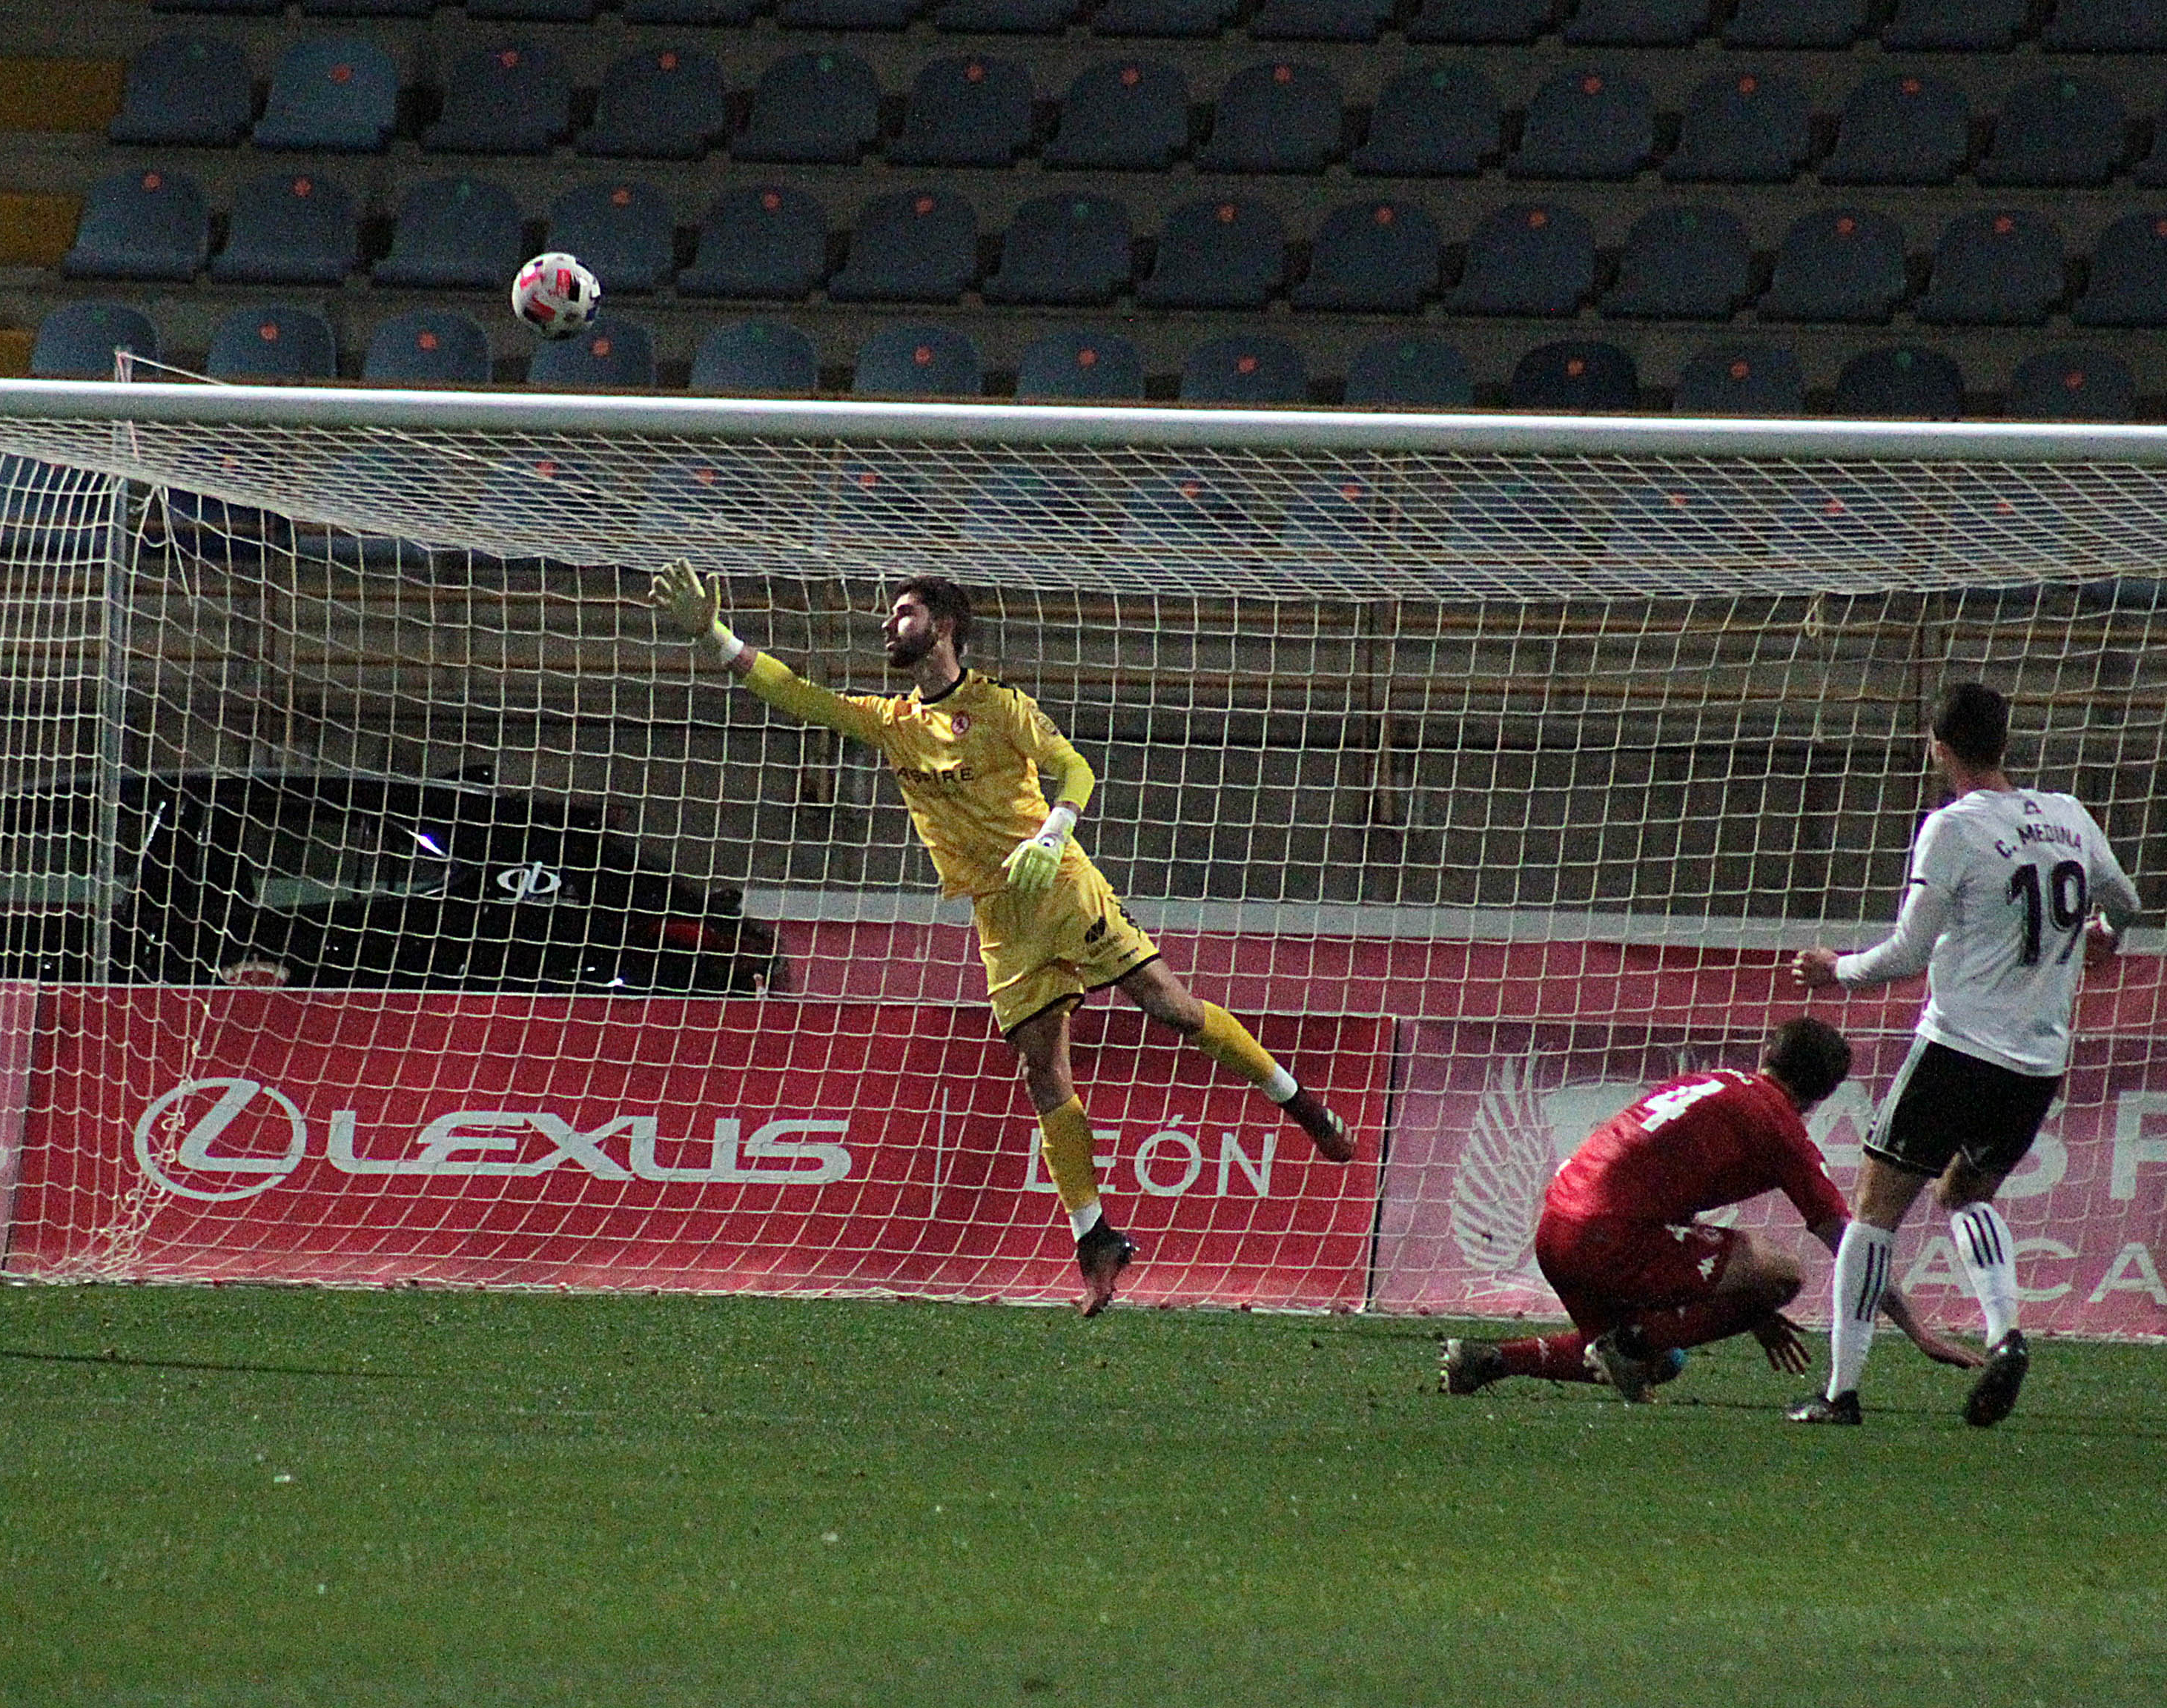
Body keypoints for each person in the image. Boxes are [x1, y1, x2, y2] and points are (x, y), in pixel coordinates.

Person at [647, 563, 1353, 1316]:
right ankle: (1096, 1238)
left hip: (1059, 885)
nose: (889, 625)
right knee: (1044, 1074)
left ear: (943, 627)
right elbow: (796, 693)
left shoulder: (1001, 706)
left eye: (904, 612)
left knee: (1169, 1008)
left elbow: (1073, 767)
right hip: (999, 918)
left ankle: (1300, 1103)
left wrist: (1054, 830)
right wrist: (716, 637)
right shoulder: (893, 723)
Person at [1790, 682, 2140, 1427]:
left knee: (1875, 1213)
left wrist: (1834, 969)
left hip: (1957, 1048)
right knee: (1964, 1196)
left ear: (1939, 749)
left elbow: (1907, 953)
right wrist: (2107, 935)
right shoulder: (2068, 814)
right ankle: (2006, 1334)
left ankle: (1840, 1391)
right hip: (2038, 1062)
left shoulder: (1952, 829)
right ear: (2006, 742)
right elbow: (2128, 900)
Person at [1440, 1017, 1979, 1403]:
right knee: (1781, 1270)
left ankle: (1487, 1361)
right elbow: (1849, 1241)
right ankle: (1628, 1344)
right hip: (1611, 1237)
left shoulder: (1710, 1084)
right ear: (1823, 1095)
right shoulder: (1779, 1127)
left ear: (1769, 1054)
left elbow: (1653, 1184)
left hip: (1556, 1230)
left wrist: (1749, 1310)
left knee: (1659, 1362)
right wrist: (1917, 1330)